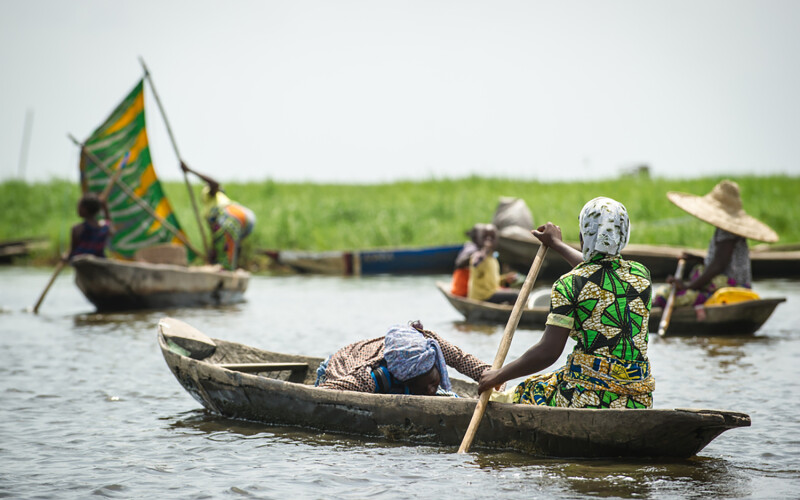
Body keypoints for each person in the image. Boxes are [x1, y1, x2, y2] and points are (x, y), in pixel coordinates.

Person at [478, 197, 655, 409]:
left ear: (583, 236)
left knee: (524, 391)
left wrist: (498, 375)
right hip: (639, 398)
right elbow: (598, 273)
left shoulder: (569, 284)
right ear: (623, 234)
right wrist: (557, 245)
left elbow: (548, 352)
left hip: (586, 396)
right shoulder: (641, 275)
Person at [653, 180, 779, 308]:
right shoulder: (726, 231)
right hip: (732, 288)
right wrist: (698, 259)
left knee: (664, 295)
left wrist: (687, 286)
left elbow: (718, 265)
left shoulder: (728, 232)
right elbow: (722, 262)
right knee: (698, 271)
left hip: (730, 292)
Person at [316, 321, 493, 396]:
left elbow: (459, 358)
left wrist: (489, 374)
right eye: (426, 387)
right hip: (337, 368)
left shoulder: (428, 346)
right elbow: (326, 392)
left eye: (433, 382)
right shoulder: (369, 378)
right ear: (407, 381)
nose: (432, 390)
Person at [181, 161, 256, 270]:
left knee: (223, 262)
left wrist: (190, 170)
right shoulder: (218, 202)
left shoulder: (211, 193)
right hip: (246, 217)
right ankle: (231, 270)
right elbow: (215, 236)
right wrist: (212, 254)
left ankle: (226, 272)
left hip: (231, 216)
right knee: (225, 248)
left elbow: (214, 184)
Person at [466, 224, 519, 304]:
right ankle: (512, 314)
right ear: (481, 239)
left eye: (492, 237)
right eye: (485, 237)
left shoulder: (493, 258)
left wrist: (505, 279)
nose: (488, 240)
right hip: (481, 297)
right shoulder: (477, 256)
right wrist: (485, 250)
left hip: (491, 293)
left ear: (497, 240)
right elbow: (475, 264)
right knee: (516, 295)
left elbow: (492, 282)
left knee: (515, 292)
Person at [66, 193, 113, 260]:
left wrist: (66, 257)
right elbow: (110, 226)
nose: (77, 208)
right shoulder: (104, 227)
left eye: (79, 206)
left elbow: (72, 252)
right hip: (99, 262)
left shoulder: (77, 229)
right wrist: (106, 210)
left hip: (82, 263)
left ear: (84, 209)